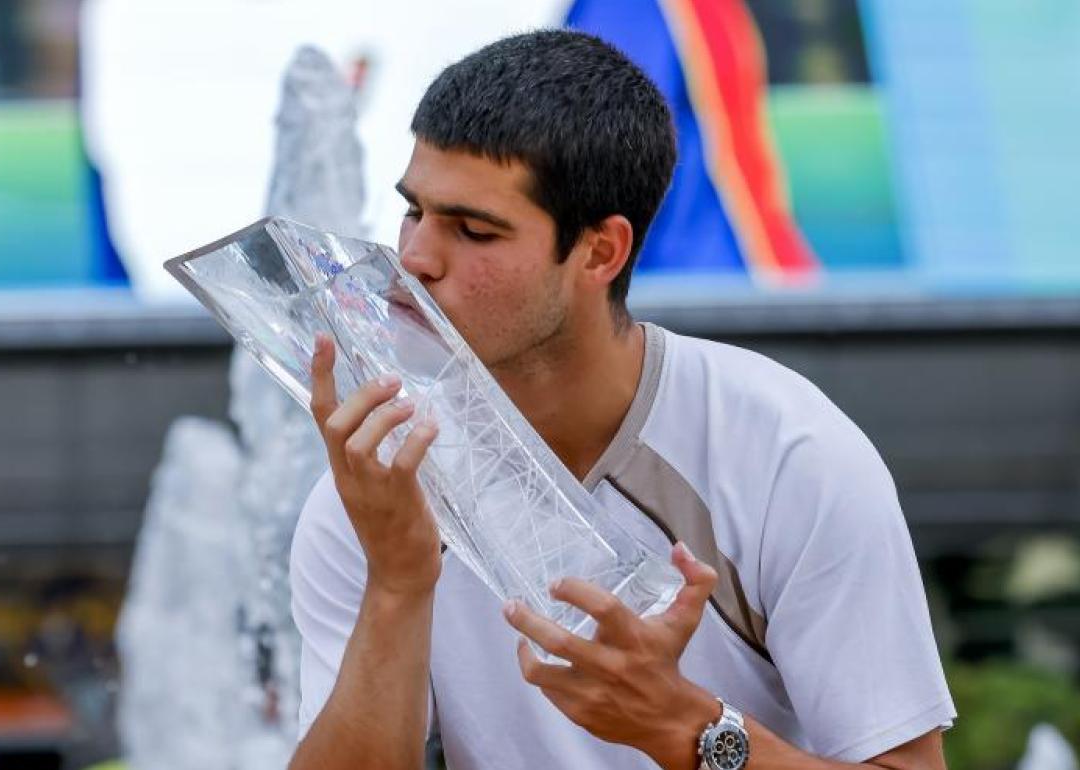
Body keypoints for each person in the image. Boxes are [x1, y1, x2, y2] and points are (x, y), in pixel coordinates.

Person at [288, 29, 954, 770]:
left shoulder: (786, 453)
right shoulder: (377, 496)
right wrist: (397, 582)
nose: (414, 259)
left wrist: (689, 730)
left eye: (473, 230)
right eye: (414, 211)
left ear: (602, 251)